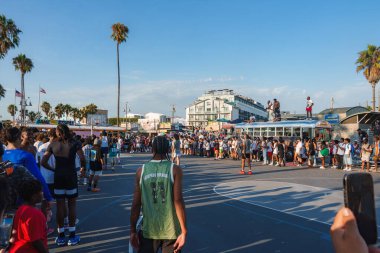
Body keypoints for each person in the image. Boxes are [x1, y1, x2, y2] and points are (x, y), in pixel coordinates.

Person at [130, 136, 187, 253]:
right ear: (168, 149)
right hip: (171, 229)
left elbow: (136, 204)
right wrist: (184, 230)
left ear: (152, 149)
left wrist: (132, 231)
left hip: (149, 229)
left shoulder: (141, 171)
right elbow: (178, 201)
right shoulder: (175, 170)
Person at [41, 124, 84, 246]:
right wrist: (83, 168)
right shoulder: (75, 143)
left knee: (60, 206)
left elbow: (43, 162)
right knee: (72, 205)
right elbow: (82, 158)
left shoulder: (53, 144)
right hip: (71, 177)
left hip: (58, 177)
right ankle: (72, 235)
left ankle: (60, 236)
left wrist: (54, 169)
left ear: (58, 133)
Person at [2, 127, 53, 204]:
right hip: (22, 199)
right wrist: (48, 197)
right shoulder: (25, 156)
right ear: (19, 138)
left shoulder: (2, 155)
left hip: (4, 199)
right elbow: (38, 177)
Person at [9, 179, 48, 253]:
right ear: (33, 196)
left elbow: (40, 227)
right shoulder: (34, 214)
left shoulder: (21, 209)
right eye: (40, 191)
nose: (42, 193)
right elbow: (36, 241)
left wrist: (44, 210)